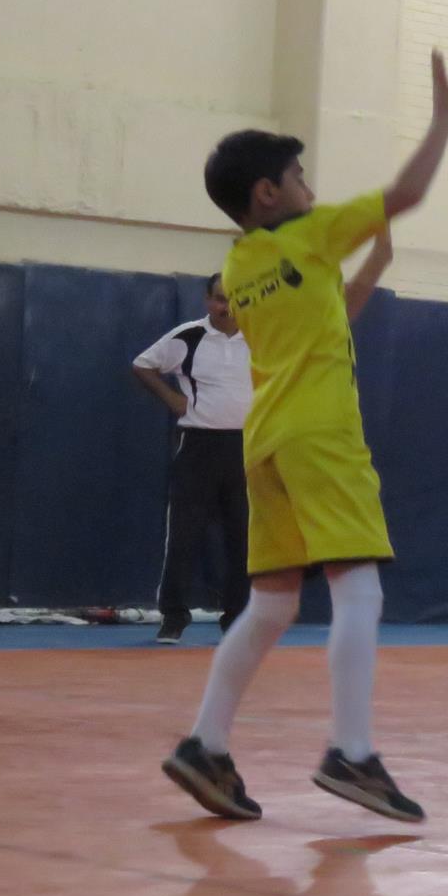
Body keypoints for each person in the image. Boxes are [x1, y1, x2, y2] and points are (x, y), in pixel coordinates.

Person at [160, 46, 448, 824]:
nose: (311, 188)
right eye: (299, 176)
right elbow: (406, 193)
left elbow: (326, 317)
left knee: (270, 605)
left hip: (266, 441)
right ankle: (352, 752)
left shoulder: (240, 266)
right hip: (322, 431)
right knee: (359, 585)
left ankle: (205, 744)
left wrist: (367, 273)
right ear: (268, 193)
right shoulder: (313, 232)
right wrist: (441, 122)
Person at [132, 275, 253, 643]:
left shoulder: (264, 338)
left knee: (244, 539)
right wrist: (173, 400)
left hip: (247, 448)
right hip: (199, 446)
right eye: (220, 299)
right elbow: (142, 364)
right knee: (184, 535)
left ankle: (237, 620)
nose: (227, 307)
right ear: (207, 300)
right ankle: (173, 616)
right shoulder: (188, 337)